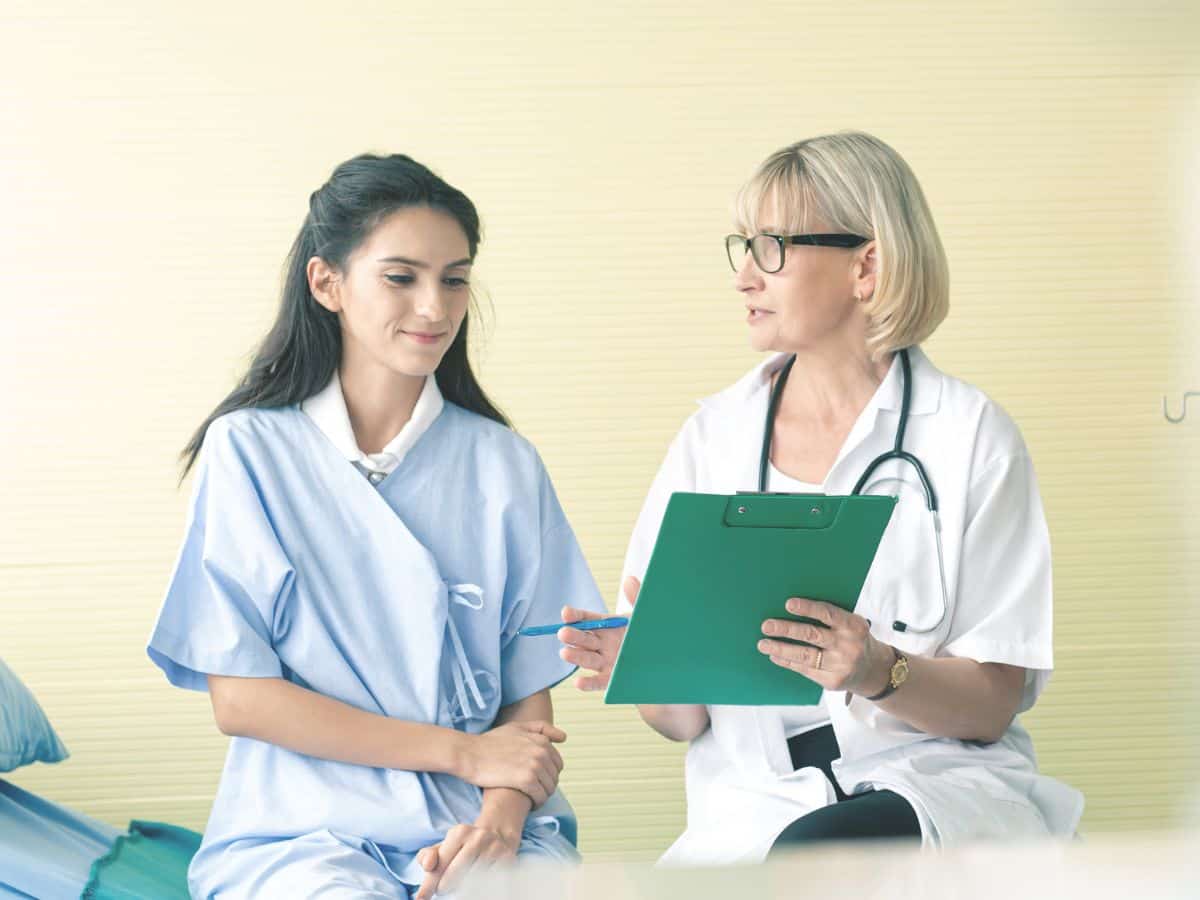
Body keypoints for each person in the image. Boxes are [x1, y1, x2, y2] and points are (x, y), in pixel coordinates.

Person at [559, 132, 1083, 865]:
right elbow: (680, 721)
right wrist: (648, 664)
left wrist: (878, 670)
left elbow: (991, 704)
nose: (745, 276)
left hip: (928, 792)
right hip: (750, 808)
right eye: (742, 246)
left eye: (771, 247)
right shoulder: (713, 438)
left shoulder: (970, 438)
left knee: (816, 859)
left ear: (865, 266)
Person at [147, 153, 606, 898]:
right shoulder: (252, 451)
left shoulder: (504, 463)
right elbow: (241, 700)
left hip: (480, 822)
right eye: (402, 277)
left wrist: (501, 822)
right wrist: (464, 754)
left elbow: (526, 698)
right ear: (327, 282)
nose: (435, 307)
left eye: (454, 279)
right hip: (300, 833)